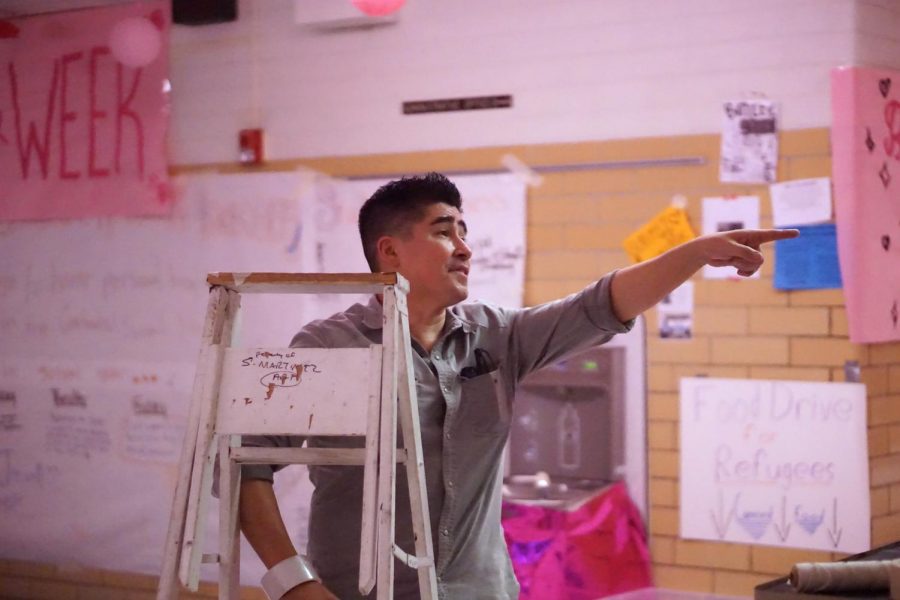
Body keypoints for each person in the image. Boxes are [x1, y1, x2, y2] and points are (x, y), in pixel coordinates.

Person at [237, 172, 798, 600]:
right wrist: (293, 584)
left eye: (464, 232)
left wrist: (695, 254)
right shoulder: (329, 347)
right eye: (442, 232)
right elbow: (245, 467)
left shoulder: (496, 334)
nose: (464, 248)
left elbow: (599, 305)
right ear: (390, 251)